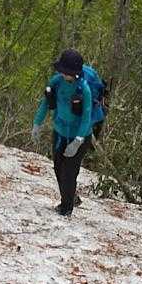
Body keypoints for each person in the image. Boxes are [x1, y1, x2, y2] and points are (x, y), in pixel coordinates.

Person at [31, 48, 94, 217]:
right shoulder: (56, 82)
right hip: (59, 133)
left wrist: (78, 141)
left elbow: (86, 117)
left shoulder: (84, 89)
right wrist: (37, 123)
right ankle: (71, 197)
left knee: (69, 173)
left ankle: (66, 208)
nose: (64, 74)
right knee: (58, 168)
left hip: (79, 136)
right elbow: (45, 103)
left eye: (67, 72)